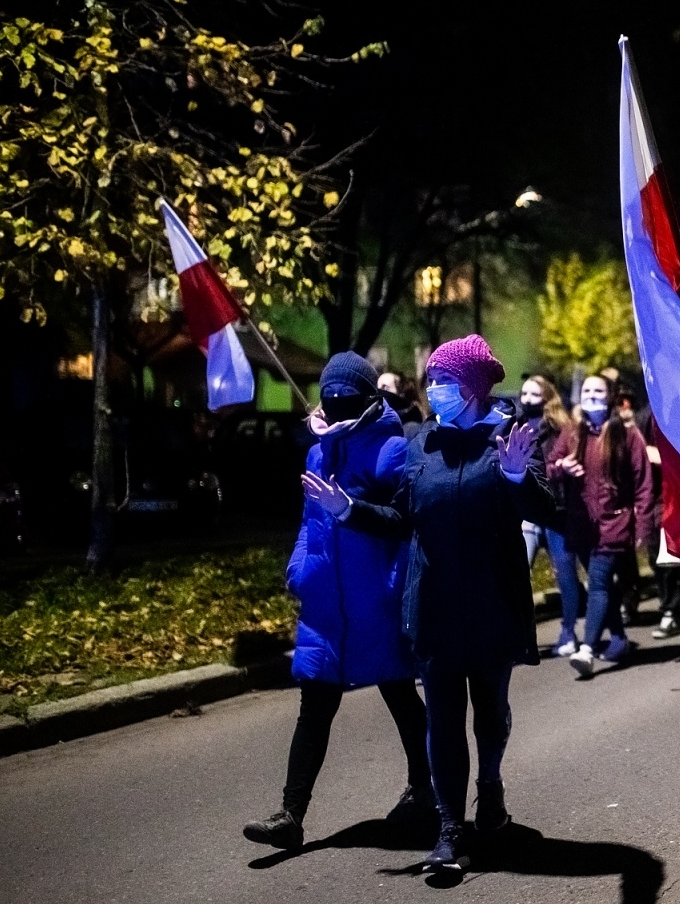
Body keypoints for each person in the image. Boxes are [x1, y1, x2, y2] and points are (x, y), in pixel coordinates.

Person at [308, 334, 556, 872]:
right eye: (432, 381)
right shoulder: (421, 443)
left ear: (470, 388)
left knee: (489, 712)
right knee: (442, 719)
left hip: (491, 605)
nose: (435, 389)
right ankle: (449, 829)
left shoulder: (511, 438)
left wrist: (516, 475)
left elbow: (550, 510)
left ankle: (489, 785)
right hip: (435, 609)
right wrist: (349, 509)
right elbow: (402, 519)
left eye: (444, 381)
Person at [244, 352, 433, 853]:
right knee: (315, 706)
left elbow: (402, 523)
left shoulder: (393, 450)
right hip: (326, 604)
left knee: (399, 696)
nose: (335, 408)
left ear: (369, 399)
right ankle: (290, 813)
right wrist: (299, 571)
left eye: (345, 400)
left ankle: (426, 787)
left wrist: (351, 511)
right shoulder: (317, 453)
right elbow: (309, 525)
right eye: (329, 399)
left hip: (376, 601)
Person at [550, 374, 657, 680]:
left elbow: (643, 483)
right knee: (604, 586)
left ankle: (587, 648)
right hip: (580, 524)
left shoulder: (627, 434)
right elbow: (548, 468)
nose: (592, 395)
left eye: (599, 390)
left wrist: (643, 525)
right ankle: (620, 638)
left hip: (614, 523)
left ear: (610, 397)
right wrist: (561, 467)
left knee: (597, 583)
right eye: (587, 390)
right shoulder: (571, 432)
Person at [518, 375, 583, 657]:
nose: (526, 399)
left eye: (533, 394)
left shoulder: (561, 428)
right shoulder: (515, 425)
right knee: (520, 572)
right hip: (527, 513)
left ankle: (569, 630)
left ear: (546, 398)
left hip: (557, 512)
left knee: (565, 574)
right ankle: (521, 636)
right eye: (524, 394)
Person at [376, 371, 427, 438]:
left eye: (385, 388)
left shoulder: (411, 429)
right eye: (377, 388)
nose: (379, 393)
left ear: (401, 393)